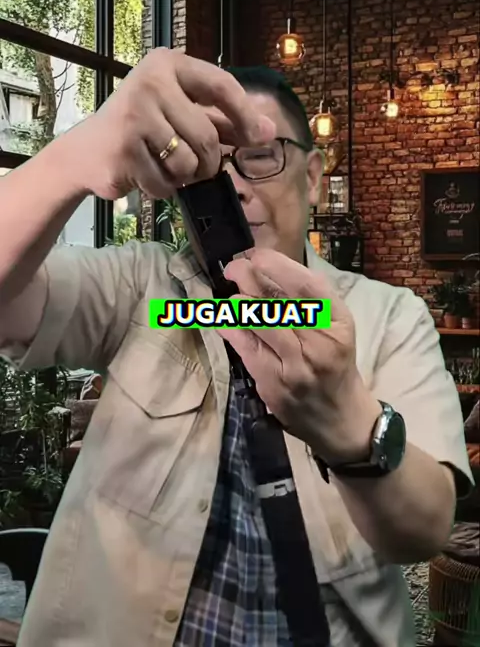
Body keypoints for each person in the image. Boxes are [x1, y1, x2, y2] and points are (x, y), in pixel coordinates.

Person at [0, 49, 473, 647]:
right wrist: (76, 155)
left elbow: (426, 529)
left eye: (259, 157)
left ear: (313, 177)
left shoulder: (388, 315)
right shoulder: (145, 288)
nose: (235, 190)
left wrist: (348, 424)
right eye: (208, 167)